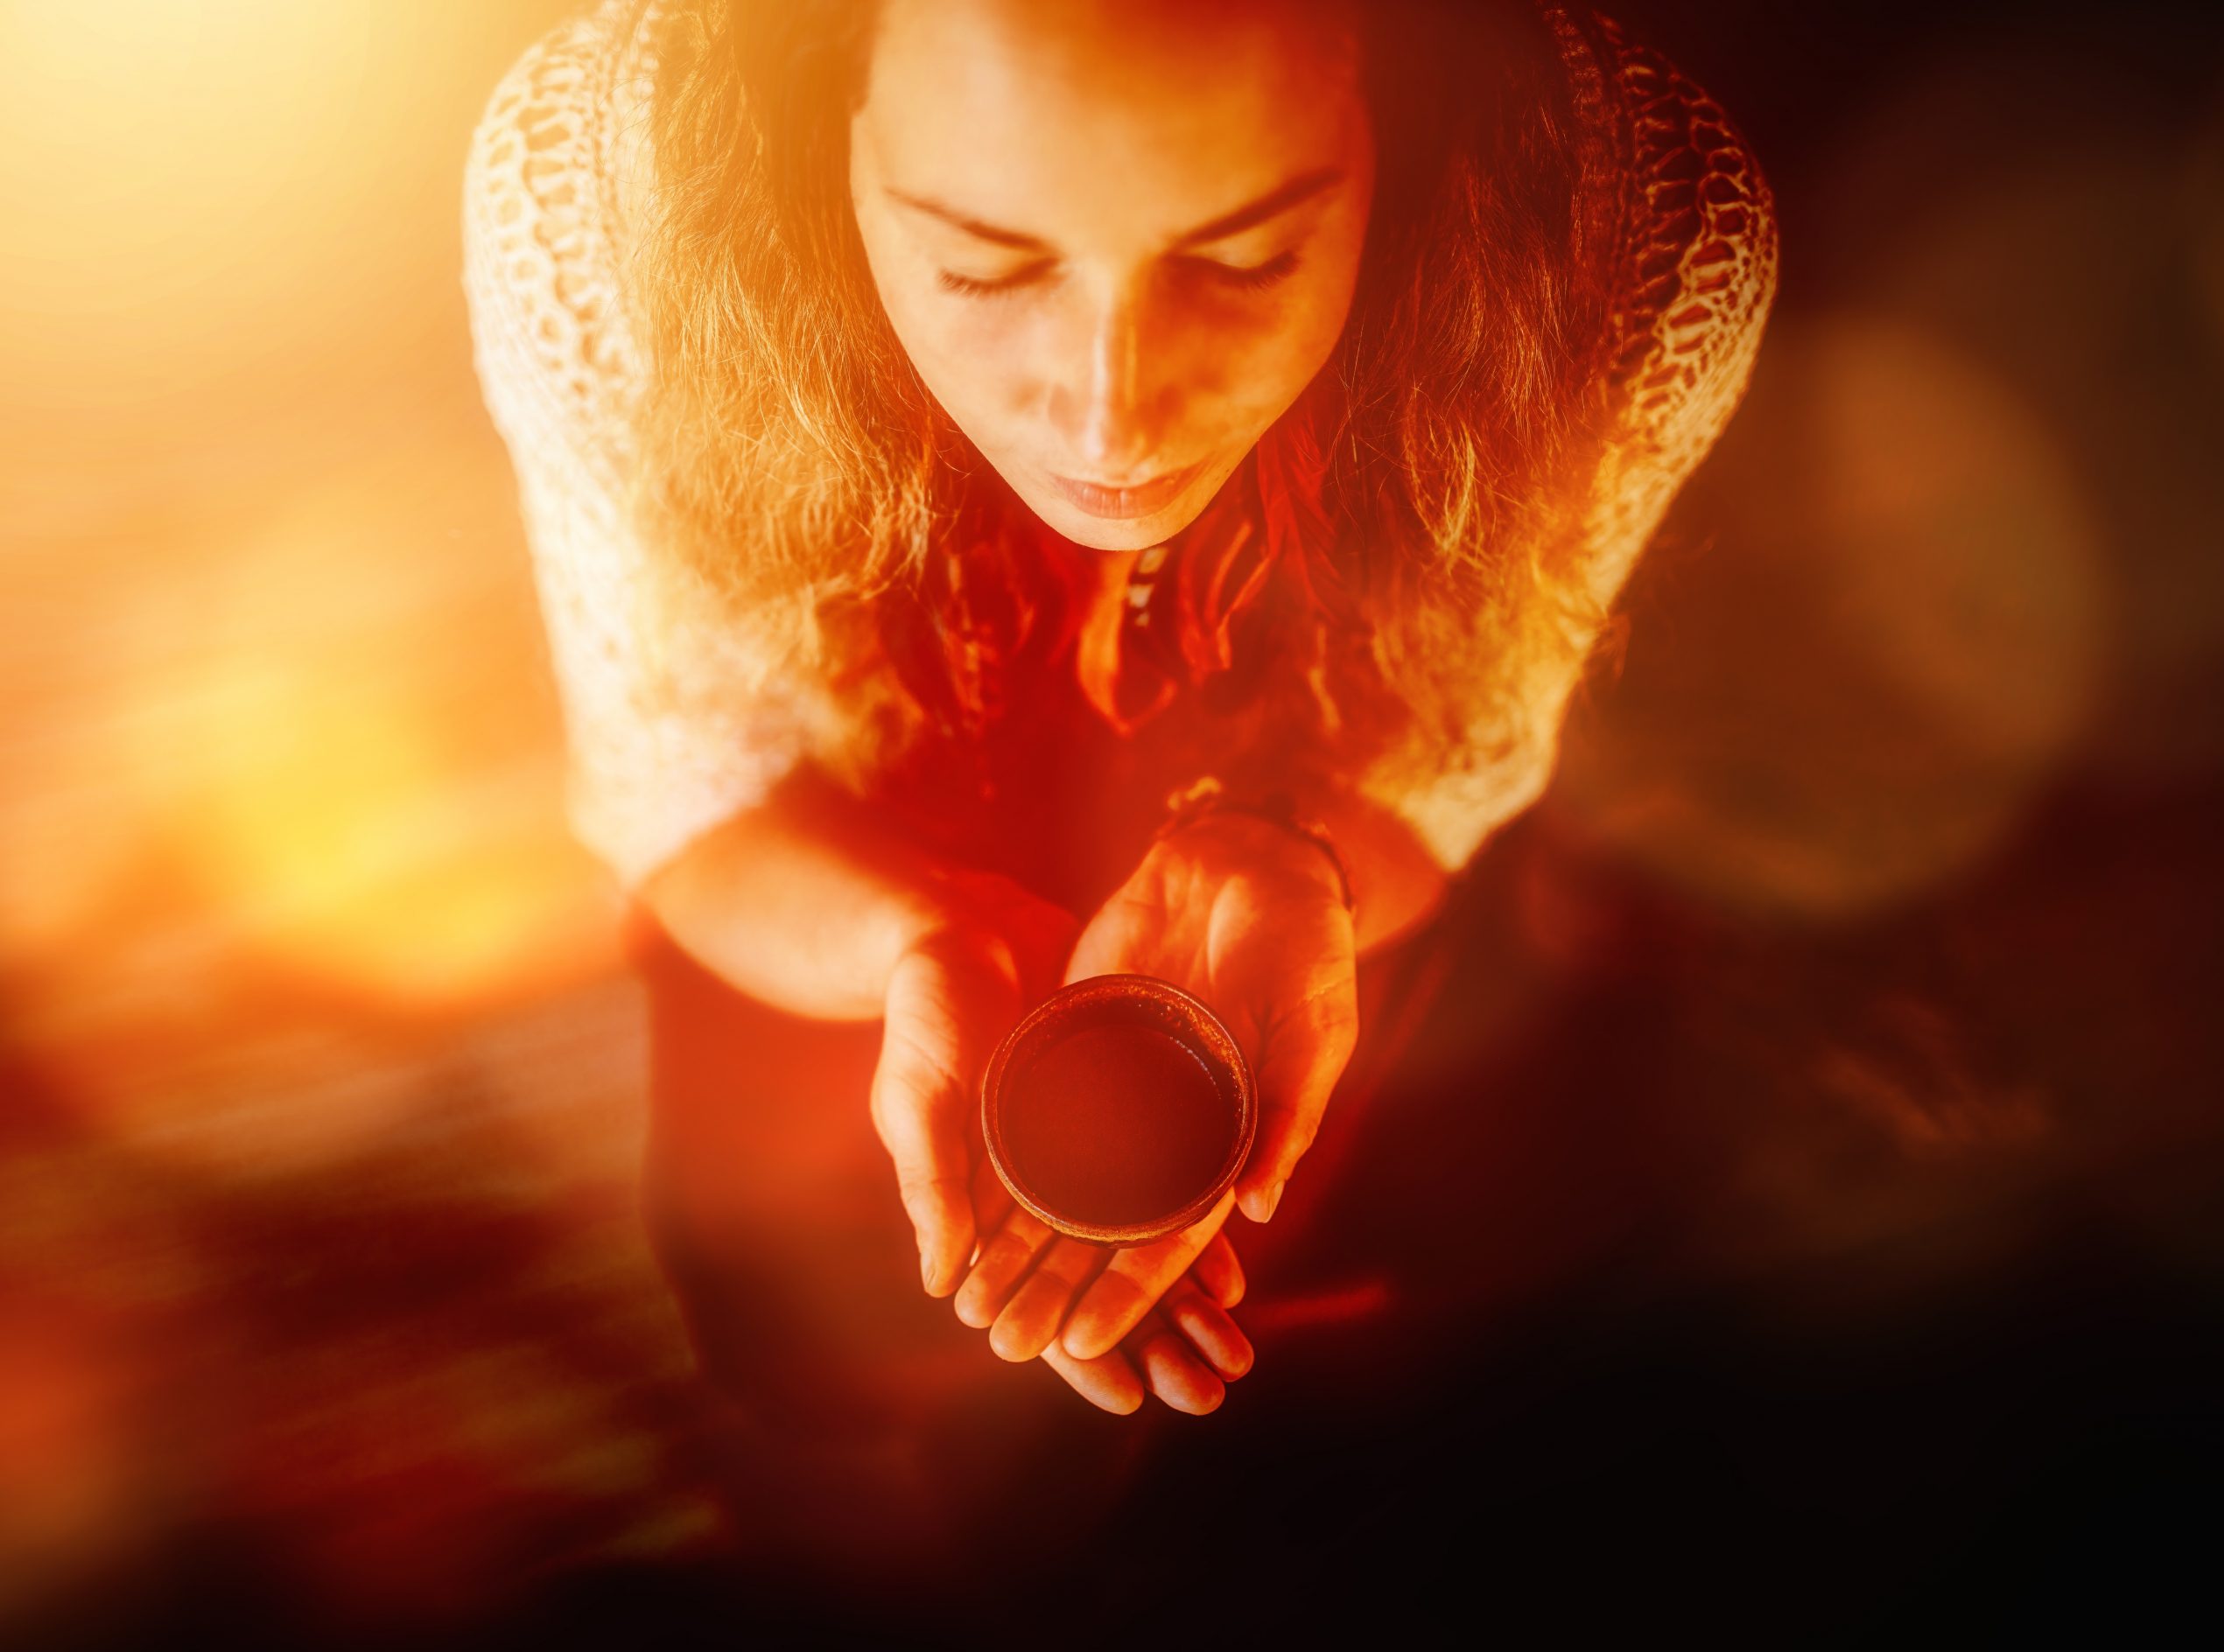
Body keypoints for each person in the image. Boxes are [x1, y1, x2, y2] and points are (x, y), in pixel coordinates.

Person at [464, 0, 1772, 1549]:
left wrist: (1301, 855)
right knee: (823, 1363)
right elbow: (677, 791)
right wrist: (915, 937)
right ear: (817, 107)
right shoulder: (610, 211)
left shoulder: (1628, 235)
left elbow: (1466, 752)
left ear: (1405, 106)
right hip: (808, 945)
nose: (1111, 414)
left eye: (1247, 259)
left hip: (1275, 975)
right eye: (982, 267)